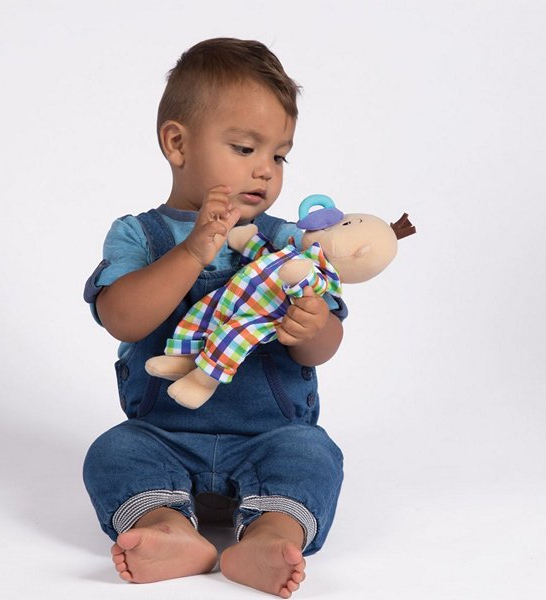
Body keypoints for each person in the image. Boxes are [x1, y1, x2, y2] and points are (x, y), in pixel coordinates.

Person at [82, 38, 346, 598]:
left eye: (278, 155)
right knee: (113, 452)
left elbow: (324, 345)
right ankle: (167, 528)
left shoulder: (289, 243)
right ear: (177, 143)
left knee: (314, 454)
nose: (265, 172)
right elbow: (122, 319)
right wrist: (192, 253)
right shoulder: (140, 235)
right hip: (163, 434)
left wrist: (315, 326)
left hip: (271, 434)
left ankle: (270, 535)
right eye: (245, 148)